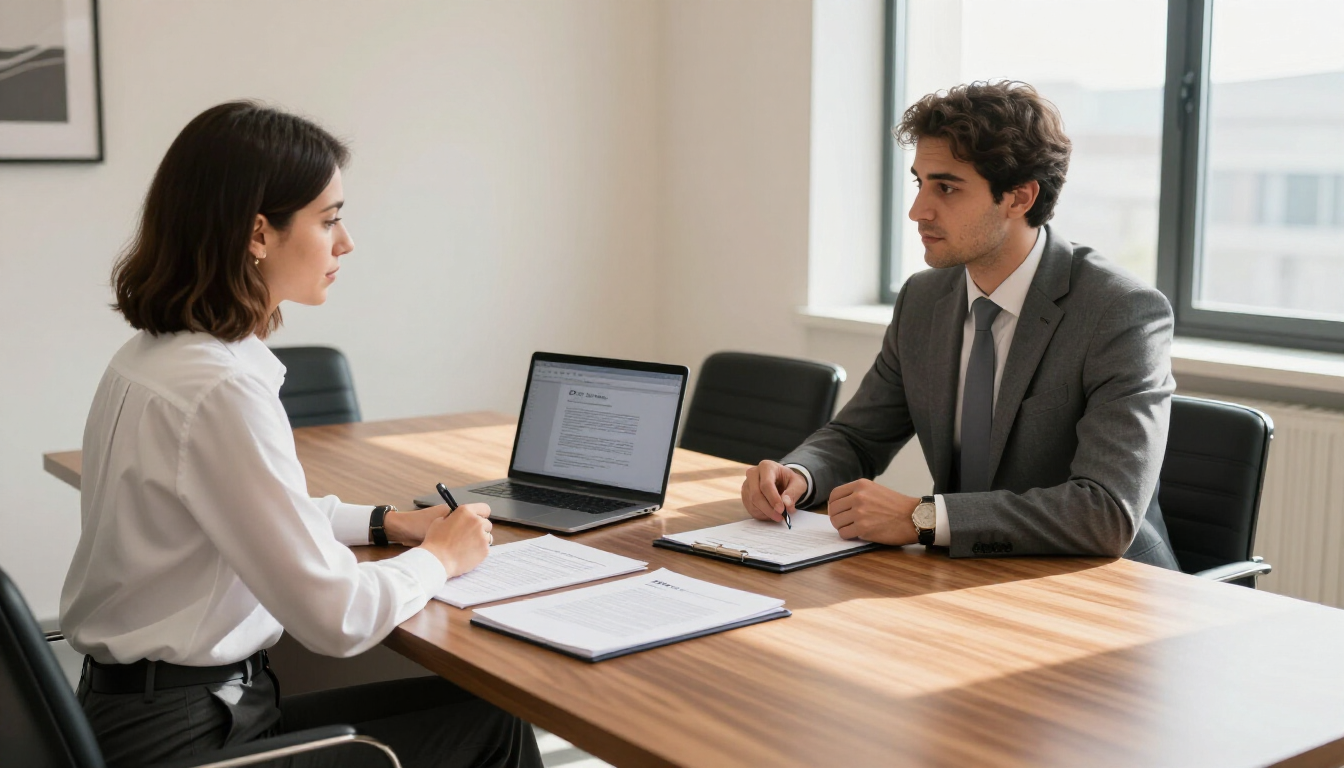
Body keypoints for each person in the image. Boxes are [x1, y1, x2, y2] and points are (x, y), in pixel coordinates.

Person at [60, 101, 543, 768]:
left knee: (482, 717)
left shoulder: (155, 357)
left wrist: (386, 523)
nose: (346, 243)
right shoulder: (220, 389)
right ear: (258, 234)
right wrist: (441, 557)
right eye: (329, 219)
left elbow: (256, 514)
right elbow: (337, 617)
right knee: (492, 728)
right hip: (193, 740)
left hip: (145, 717)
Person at [741, 81, 1179, 568]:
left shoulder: (1120, 311)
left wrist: (923, 518)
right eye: (920, 183)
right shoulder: (924, 299)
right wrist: (799, 475)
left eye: (946, 188)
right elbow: (858, 436)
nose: (917, 211)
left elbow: (1106, 512)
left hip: (1099, 584)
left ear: (1019, 198)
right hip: (964, 573)